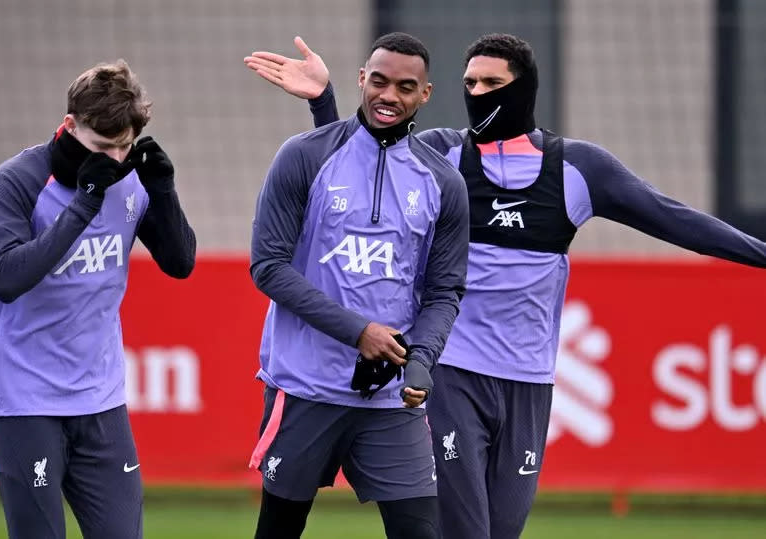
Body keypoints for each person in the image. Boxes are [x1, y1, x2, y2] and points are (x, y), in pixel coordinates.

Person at [245, 33, 766, 538]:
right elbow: (356, 167)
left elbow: (674, 219)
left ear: (523, 89)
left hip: (528, 381)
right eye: (468, 84)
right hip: (449, 375)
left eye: (490, 83)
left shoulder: (576, 169)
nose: (476, 95)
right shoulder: (443, 157)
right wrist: (324, 104)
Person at [247, 32, 469, 539]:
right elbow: (268, 267)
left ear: (425, 94)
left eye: (406, 86)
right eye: (380, 81)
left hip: (390, 401)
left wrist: (420, 359)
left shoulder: (442, 183)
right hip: (306, 389)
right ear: (361, 81)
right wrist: (358, 332)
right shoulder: (303, 156)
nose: (390, 96)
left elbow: (444, 291)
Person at [0, 59, 196, 539]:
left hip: (101, 399)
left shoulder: (128, 179)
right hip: (25, 398)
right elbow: (9, 278)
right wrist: (83, 205)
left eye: (125, 147)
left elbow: (180, 264)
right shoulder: (18, 179)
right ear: (70, 125)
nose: (116, 160)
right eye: (102, 147)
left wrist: (163, 190)